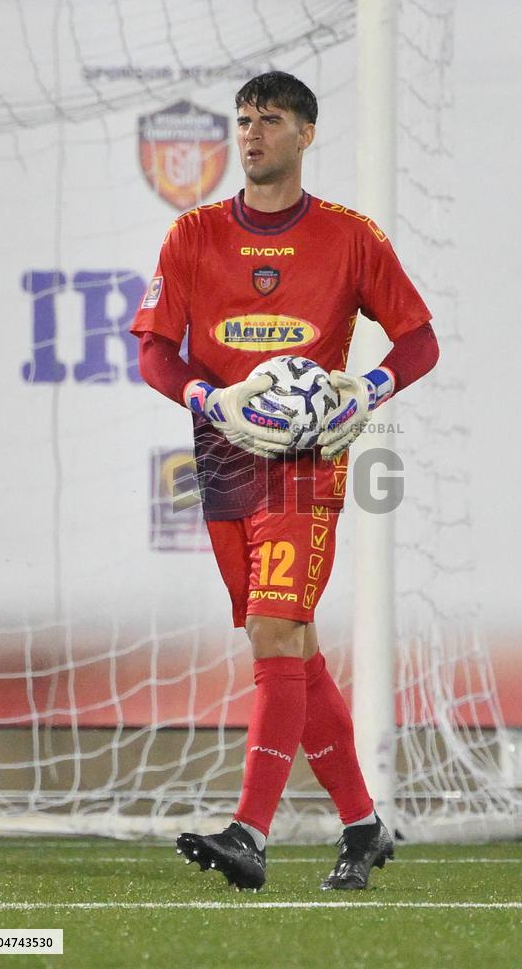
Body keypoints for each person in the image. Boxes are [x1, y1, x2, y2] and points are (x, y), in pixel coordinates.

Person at [131, 71, 439, 891]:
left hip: (306, 465)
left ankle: (249, 833)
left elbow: (417, 342)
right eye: (243, 119)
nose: (251, 132)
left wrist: (367, 390)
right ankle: (363, 826)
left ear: (306, 133)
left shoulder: (350, 237)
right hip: (224, 454)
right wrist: (207, 394)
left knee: (275, 634)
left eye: (269, 118)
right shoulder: (192, 234)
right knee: (293, 650)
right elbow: (155, 351)